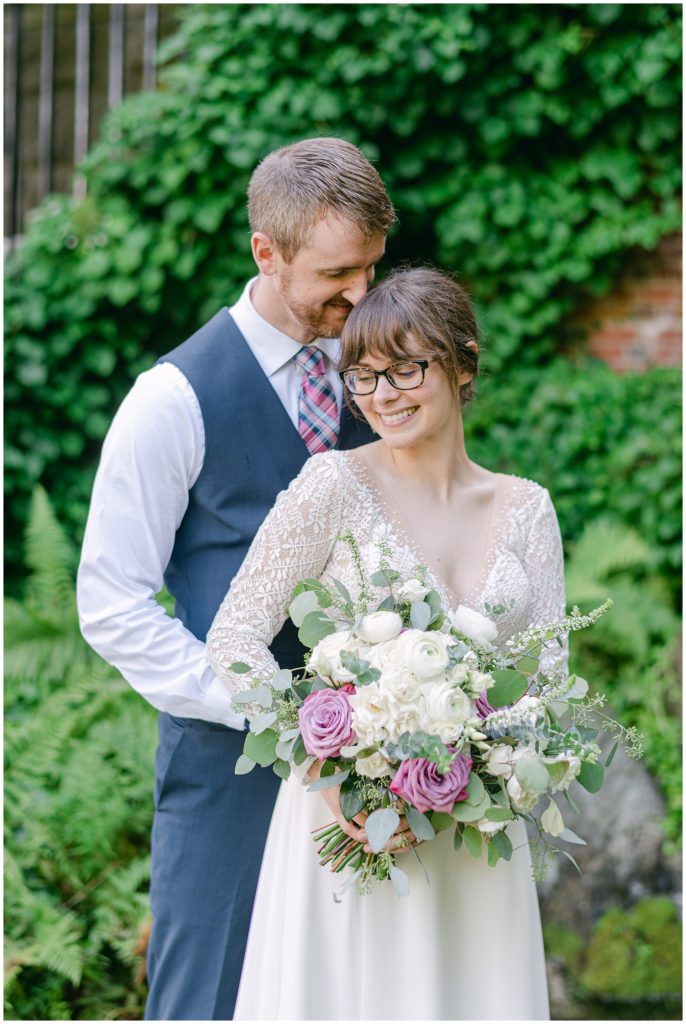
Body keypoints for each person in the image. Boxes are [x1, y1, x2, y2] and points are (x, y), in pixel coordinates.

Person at [77, 137, 395, 1021]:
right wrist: (262, 708)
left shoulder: (382, 373)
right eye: (338, 272)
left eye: (372, 267)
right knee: (205, 1000)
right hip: (228, 770)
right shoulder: (170, 400)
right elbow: (110, 602)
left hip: (381, 767)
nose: (361, 295)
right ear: (268, 251)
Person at [207, 266, 566, 1020]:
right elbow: (234, 639)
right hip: (347, 825)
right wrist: (328, 765)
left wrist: (498, 768)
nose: (383, 394)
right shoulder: (330, 485)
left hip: (474, 844)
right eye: (363, 375)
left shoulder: (528, 509)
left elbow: (548, 687)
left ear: (463, 363)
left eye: (407, 367)